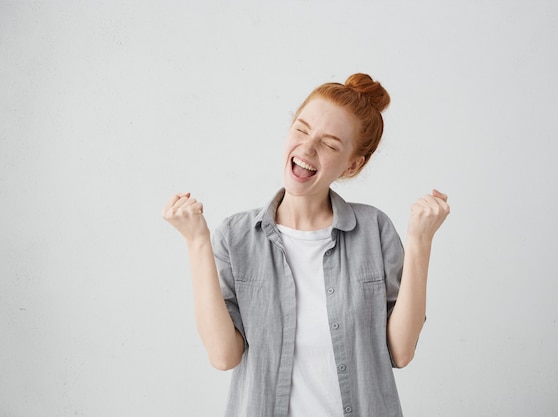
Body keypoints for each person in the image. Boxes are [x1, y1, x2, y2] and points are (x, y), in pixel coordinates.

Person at [162, 73, 450, 417]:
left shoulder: (375, 230)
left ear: (353, 164)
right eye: (301, 129)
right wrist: (197, 242)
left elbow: (400, 352)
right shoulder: (235, 237)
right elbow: (223, 356)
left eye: (329, 144)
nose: (307, 148)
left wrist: (421, 241)